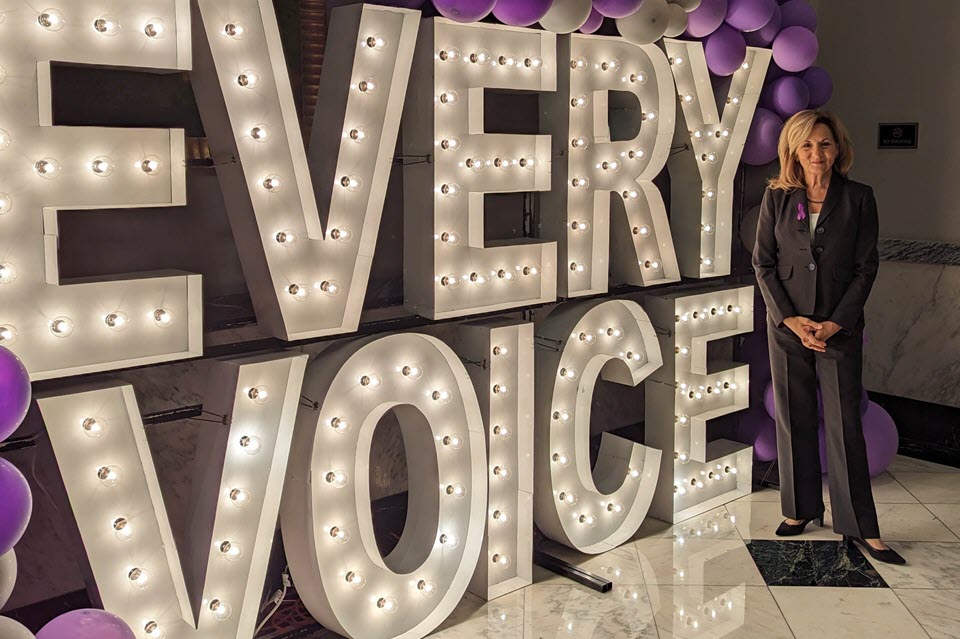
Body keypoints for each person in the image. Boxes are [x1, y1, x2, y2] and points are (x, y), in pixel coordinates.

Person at [752, 109, 905, 565]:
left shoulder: (859, 198)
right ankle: (799, 510)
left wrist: (836, 322)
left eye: (824, 144)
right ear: (792, 152)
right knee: (793, 417)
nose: (816, 153)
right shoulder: (777, 198)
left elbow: (866, 267)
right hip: (788, 328)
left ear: (838, 148)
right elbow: (762, 264)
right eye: (807, 145)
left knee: (844, 426)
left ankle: (860, 527)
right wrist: (790, 320)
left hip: (839, 328)